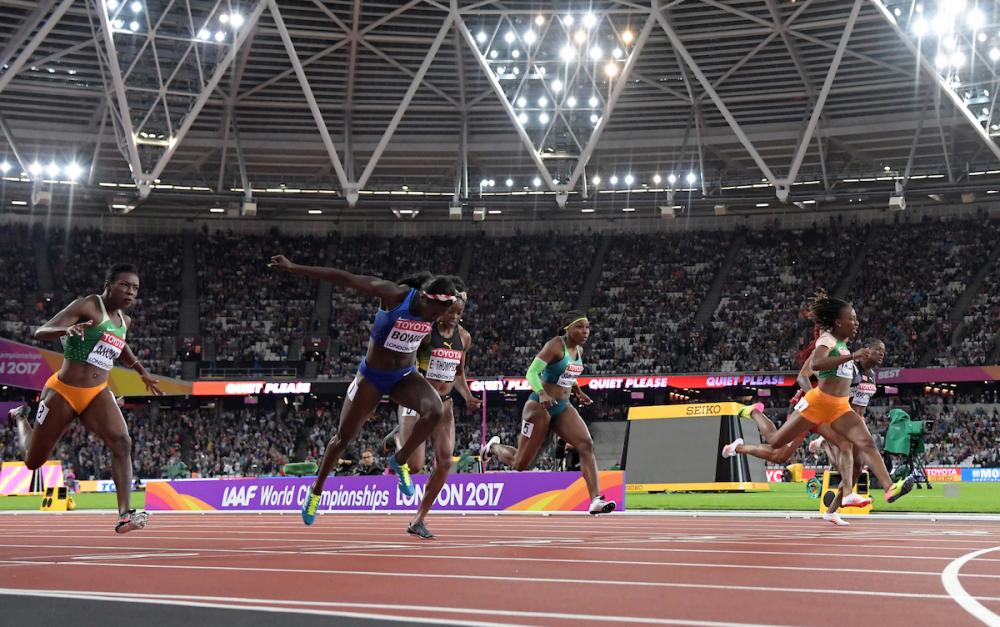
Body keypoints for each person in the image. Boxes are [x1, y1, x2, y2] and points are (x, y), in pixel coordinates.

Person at [269, 255, 459, 525]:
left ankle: (399, 459)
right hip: (372, 378)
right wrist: (295, 267)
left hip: (404, 376)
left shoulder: (437, 310)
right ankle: (315, 492)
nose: (435, 319)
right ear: (425, 298)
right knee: (342, 439)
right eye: (434, 313)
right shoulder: (394, 295)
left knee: (435, 410)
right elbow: (346, 278)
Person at [9, 263, 163, 533]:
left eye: (135, 288)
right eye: (124, 285)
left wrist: (142, 371)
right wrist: (65, 331)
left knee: (122, 441)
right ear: (108, 285)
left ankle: (124, 515)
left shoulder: (125, 321)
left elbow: (120, 345)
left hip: (96, 393)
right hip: (63, 391)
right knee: (33, 462)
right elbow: (40, 332)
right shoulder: (89, 305)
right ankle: (21, 418)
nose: (130, 292)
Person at [722, 291, 913, 507]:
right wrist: (852, 357)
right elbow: (816, 364)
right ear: (839, 322)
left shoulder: (844, 346)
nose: (857, 323)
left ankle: (888, 488)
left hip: (839, 408)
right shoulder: (827, 340)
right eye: (852, 319)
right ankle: (754, 413)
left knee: (864, 443)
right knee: (776, 444)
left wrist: (852, 357)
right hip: (817, 404)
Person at [728, 337, 887, 525]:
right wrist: (816, 399)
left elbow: (856, 407)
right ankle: (753, 415)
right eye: (879, 350)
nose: (882, 354)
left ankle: (833, 509)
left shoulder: (867, 375)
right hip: (807, 408)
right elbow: (804, 376)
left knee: (850, 456)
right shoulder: (837, 357)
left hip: (831, 414)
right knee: (778, 454)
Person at [481, 311, 615, 515]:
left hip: (562, 407)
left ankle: (596, 499)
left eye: (587, 327)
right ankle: (493, 447)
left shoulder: (579, 350)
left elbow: (568, 373)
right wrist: (542, 393)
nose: (585, 331)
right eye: (579, 327)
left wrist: (578, 391)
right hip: (539, 407)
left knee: (586, 444)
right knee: (520, 464)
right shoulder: (555, 346)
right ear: (567, 328)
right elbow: (531, 372)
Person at [382, 279, 482, 538]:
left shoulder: (464, 338)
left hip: (445, 405)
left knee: (445, 461)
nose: (455, 317)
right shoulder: (426, 333)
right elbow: (403, 357)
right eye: (451, 312)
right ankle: (397, 438)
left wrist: (467, 396)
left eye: (460, 313)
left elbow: (458, 373)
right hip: (418, 402)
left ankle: (419, 519)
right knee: (415, 466)